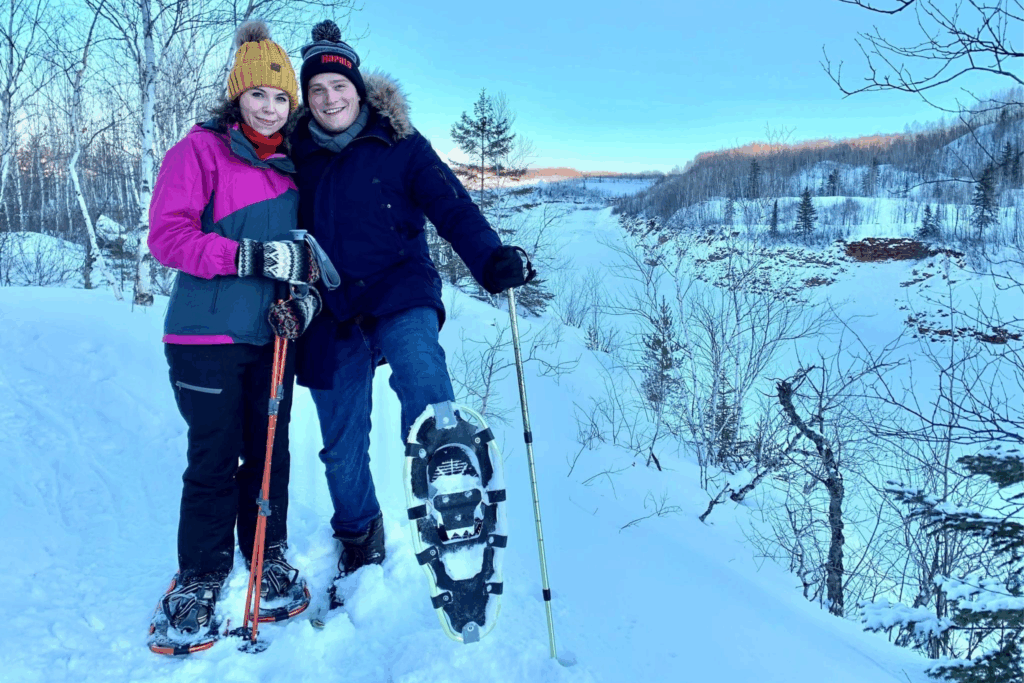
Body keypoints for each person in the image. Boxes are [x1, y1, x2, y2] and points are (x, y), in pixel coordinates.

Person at [290, 20, 531, 596]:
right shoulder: (293, 152)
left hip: (399, 289)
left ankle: (448, 490)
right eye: (316, 89)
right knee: (341, 444)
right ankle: (359, 533)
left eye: (339, 86)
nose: (329, 98)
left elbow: (452, 207)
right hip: (329, 306)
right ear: (307, 98)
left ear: (358, 90)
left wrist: (490, 258)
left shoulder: (399, 142)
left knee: (422, 372)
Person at [147, 20, 322, 636]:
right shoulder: (199, 151)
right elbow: (168, 237)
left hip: (273, 337)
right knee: (215, 456)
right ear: (236, 95)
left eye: (280, 98)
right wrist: (249, 256)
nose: (269, 108)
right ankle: (199, 574)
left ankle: (267, 555)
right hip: (205, 337)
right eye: (257, 95)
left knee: (270, 452)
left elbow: (309, 259)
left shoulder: (298, 167)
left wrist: (304, 303)